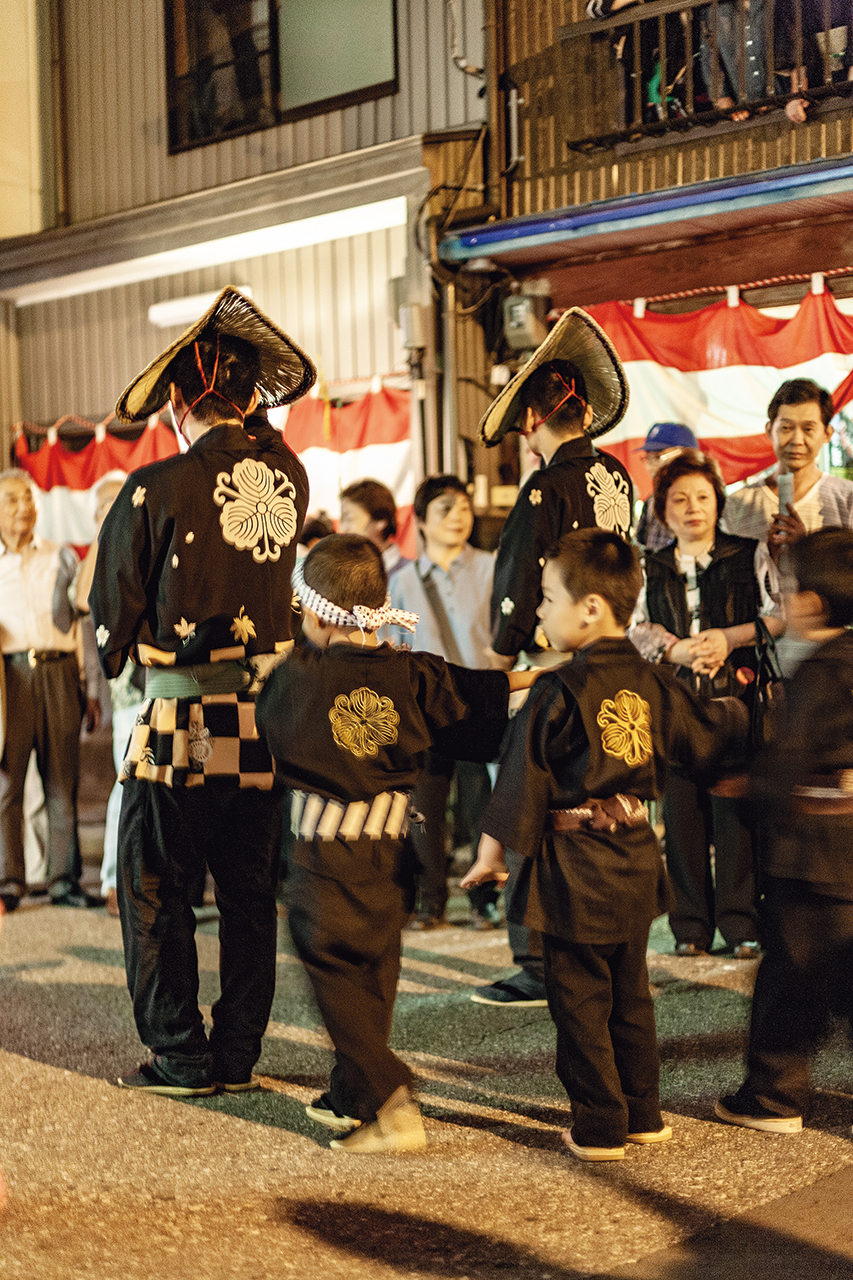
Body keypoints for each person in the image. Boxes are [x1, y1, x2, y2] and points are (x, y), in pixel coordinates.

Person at [89, 286, 315, 1095]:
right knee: (250, 893)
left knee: (156, 886)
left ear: (179, 401)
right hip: (265, 720)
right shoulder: (288, 478)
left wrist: (127, 648)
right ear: (254, 401)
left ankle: (181, 1055)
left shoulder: (155, 484)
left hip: (184, 713)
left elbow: (112, 608)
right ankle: (239, 1054)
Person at [462, 529, 748, 1161]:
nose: (538, 610)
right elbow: (704, 737)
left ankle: (600, 1123)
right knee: (631, 990)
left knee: (580, 998)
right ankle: (643, 1112)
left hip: (575, 867)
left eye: (546, 597)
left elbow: (521, 777)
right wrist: (750, 715)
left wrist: (489, 854)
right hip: (637, 855)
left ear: (589, 607)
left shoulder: (556, 688)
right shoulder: (654, 681)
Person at [255, 534, 537, 1152]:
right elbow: (481, 696)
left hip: (325, 854)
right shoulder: (411, 672)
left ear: (321, 613)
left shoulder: (296, 680)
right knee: (375, 973)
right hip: (392, 852)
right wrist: (547, 673)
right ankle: (351, 1094)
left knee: (335, 977)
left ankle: (389, 1100)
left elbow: (273, 736)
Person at [474, 306, 633, 1007]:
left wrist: (501, 651)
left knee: (527, 801)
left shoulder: (544, 486)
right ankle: (596, 941)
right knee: (595, 801)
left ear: (533, 422)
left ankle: (535, 956)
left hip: (550, 667)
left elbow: (516, 586)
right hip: (615, 658)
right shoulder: (618, 479)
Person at [716, 529, 853, 1133]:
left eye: (790, 589)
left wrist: (751, 791)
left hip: (815, 852)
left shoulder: (821, 672)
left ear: (813, 602)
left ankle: (774, 1096)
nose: (785, 602)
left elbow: (787, 761)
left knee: (789, 975)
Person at [630, 450, 781, 958]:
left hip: (736, 702)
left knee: (733, 815)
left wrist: (727, 638)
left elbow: (777, 615)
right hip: (673, 703)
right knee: (682, 818)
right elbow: (633, 627)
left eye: (702, 497)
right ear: (662, 511)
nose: (693, 507)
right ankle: (690, 928)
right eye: (679, 499)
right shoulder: (648, 565)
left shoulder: (748, 553)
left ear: (718, 502)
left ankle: (741, 925)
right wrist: (672, 648)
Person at [389, 475, 500, 930]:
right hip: (424, 713)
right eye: (445, 510)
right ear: (420, 521)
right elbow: (391, 645)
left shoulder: (492, 568)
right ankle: (430, 902)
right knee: (425, 814)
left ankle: (482, 902)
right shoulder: (400, 582)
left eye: (463, 508)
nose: (458, 517)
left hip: (479, 708)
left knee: (483, 809)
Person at [0, 470, 101, 913]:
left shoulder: (61, 556)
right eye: (12, 500)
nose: (24, 506)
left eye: (28, 498)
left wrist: (91, 686)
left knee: (62, 783)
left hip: (60, 673)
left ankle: (64, 882)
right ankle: (8, 882)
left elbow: (83, 620)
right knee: (7, 785)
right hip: (10, 677)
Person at [720, 378, 853, 555]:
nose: (797, 440)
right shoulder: (737, 505)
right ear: (769, 430)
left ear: (827, 434)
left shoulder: (847, 499)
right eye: (786, 428)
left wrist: (806, 549)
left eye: (808, 429)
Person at [634, 421, 699, 551]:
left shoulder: (704, 500)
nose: (650, 466)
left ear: (687, 456)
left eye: (658, 457)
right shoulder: (652, 501)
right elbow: (641, 545)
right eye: (648, 458)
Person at [339, 478, 411, 581]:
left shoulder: (409, 575)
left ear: (381, 520)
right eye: (343, 520)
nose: (343, 528)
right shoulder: (346, 574)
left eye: (350, 519)